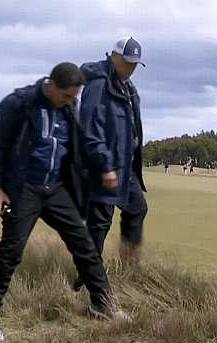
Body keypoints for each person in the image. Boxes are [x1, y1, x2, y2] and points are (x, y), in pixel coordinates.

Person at [0, 62, 116, 342]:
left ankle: (103, 306)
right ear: (51, 85)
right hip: (22, 189)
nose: (71, 101)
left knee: (85, 245)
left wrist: (104, 166)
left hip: (56, 189)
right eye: (67, 95)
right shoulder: (18, 104)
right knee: (11, 251)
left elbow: (81, 141)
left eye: (74, 97)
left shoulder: (68, 106)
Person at [78, 36, 148, 269]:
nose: (131, 68)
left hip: (125, 168)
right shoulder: (98, 84)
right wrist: (105, 166)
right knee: (99, 223)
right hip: (103, 168)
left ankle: (128, 265)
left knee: (137, 209)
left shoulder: (128, 88)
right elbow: (90, 128)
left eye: (135, 64)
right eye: (127, 62)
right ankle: (87, 274)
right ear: (114, 56)